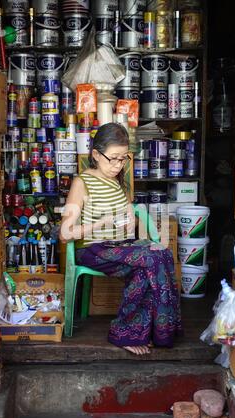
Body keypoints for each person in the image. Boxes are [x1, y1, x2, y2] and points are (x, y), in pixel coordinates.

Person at [60, 123, 182, 355]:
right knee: (151, 259)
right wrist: (101, 222)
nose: (118, 165)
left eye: (123, 159)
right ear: (96, 154)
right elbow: (65, 234)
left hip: (119, 246)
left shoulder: (117, 182)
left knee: (160, 254)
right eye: (112, 158)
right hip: (92, 249)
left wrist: (130, 222)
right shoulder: (82, 183)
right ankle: (129, 332)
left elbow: (128, 220)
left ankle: (148, 333)